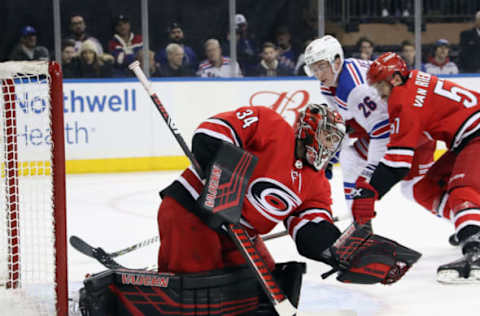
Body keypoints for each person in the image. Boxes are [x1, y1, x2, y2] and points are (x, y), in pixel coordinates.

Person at [354, 52, 480, 283]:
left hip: (476, 136)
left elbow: (398, 163)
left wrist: (370, 192)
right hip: (467, 138)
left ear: (395, 79)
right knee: (424, 188)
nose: (379, 93)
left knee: (463, 190)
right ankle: (472, 226)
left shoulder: (402, 100)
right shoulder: (413, 81)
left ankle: (476, 250)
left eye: (380, 85)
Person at [303, 35, 436, 213]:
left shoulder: (356, 89)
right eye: (314, 68)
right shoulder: (331, 83)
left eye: (322, 66)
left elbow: (381, 131)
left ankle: (358, 220)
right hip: (398, 127)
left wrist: (370, 173)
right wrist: (330, 158)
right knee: (415, 188)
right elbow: (344, 125)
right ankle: (358, 222)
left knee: (416, 188)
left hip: (410, 130)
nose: (318, 74)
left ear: (336, 61)